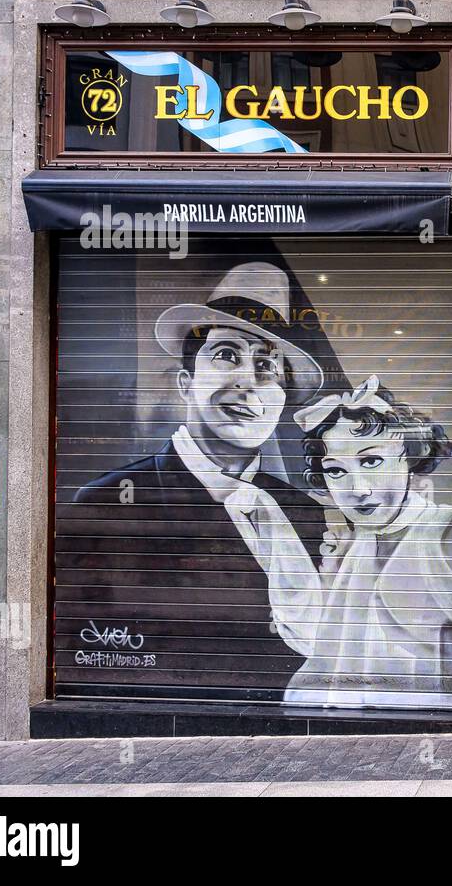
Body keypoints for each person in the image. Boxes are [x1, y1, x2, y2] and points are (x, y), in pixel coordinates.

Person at [70, 262, 329, 701]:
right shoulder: (106, 501)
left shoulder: (305, 510)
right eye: (227, 355)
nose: (248, 381)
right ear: (185, 383)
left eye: (268, 366)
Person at [283, 375, 452, 709]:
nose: (360, 489)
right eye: (335, 470)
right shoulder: (357, 542)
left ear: (409, 458)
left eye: (371, 461)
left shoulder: (449, 531)